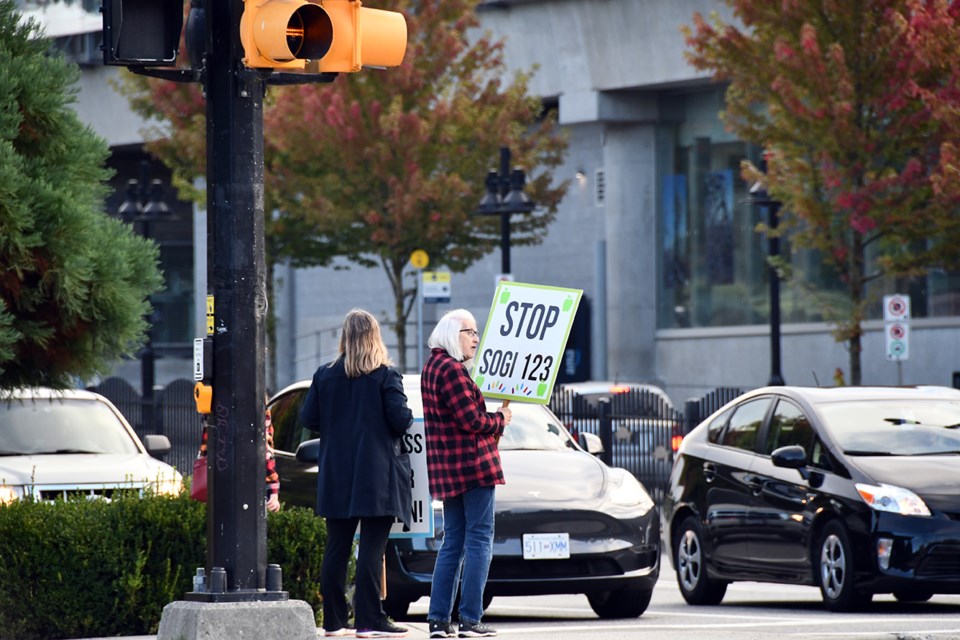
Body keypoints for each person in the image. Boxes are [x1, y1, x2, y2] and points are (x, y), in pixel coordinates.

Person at [299, 308, 414, 639]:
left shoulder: (324, 375)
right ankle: (369, 620)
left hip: (336, 473)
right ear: (375, 336)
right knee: (371, 548)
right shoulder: (385, 376)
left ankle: (334, 622)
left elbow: (309, 418)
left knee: (336, 547)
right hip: (376, 474)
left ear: (345, 337)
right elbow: (401, 420)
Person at [421, 309, 511, 639]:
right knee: (478, 541)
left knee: (452, 542)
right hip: (473, 467)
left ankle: (438, 620)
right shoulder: (453, 370)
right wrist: (501, 419)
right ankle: (470, 619)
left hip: (448, 470)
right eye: (469, 332)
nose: (475, 338)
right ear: (450, 333)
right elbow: (472, 420)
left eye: (476, 332)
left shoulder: (431, 367)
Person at [197, 398, 280, 512]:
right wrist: (272, 486)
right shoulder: (256, 398)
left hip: (218, 473)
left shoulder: (213, 395)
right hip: (249, 477)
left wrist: (203, 474)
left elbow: (207, 443)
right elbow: (265, 447)